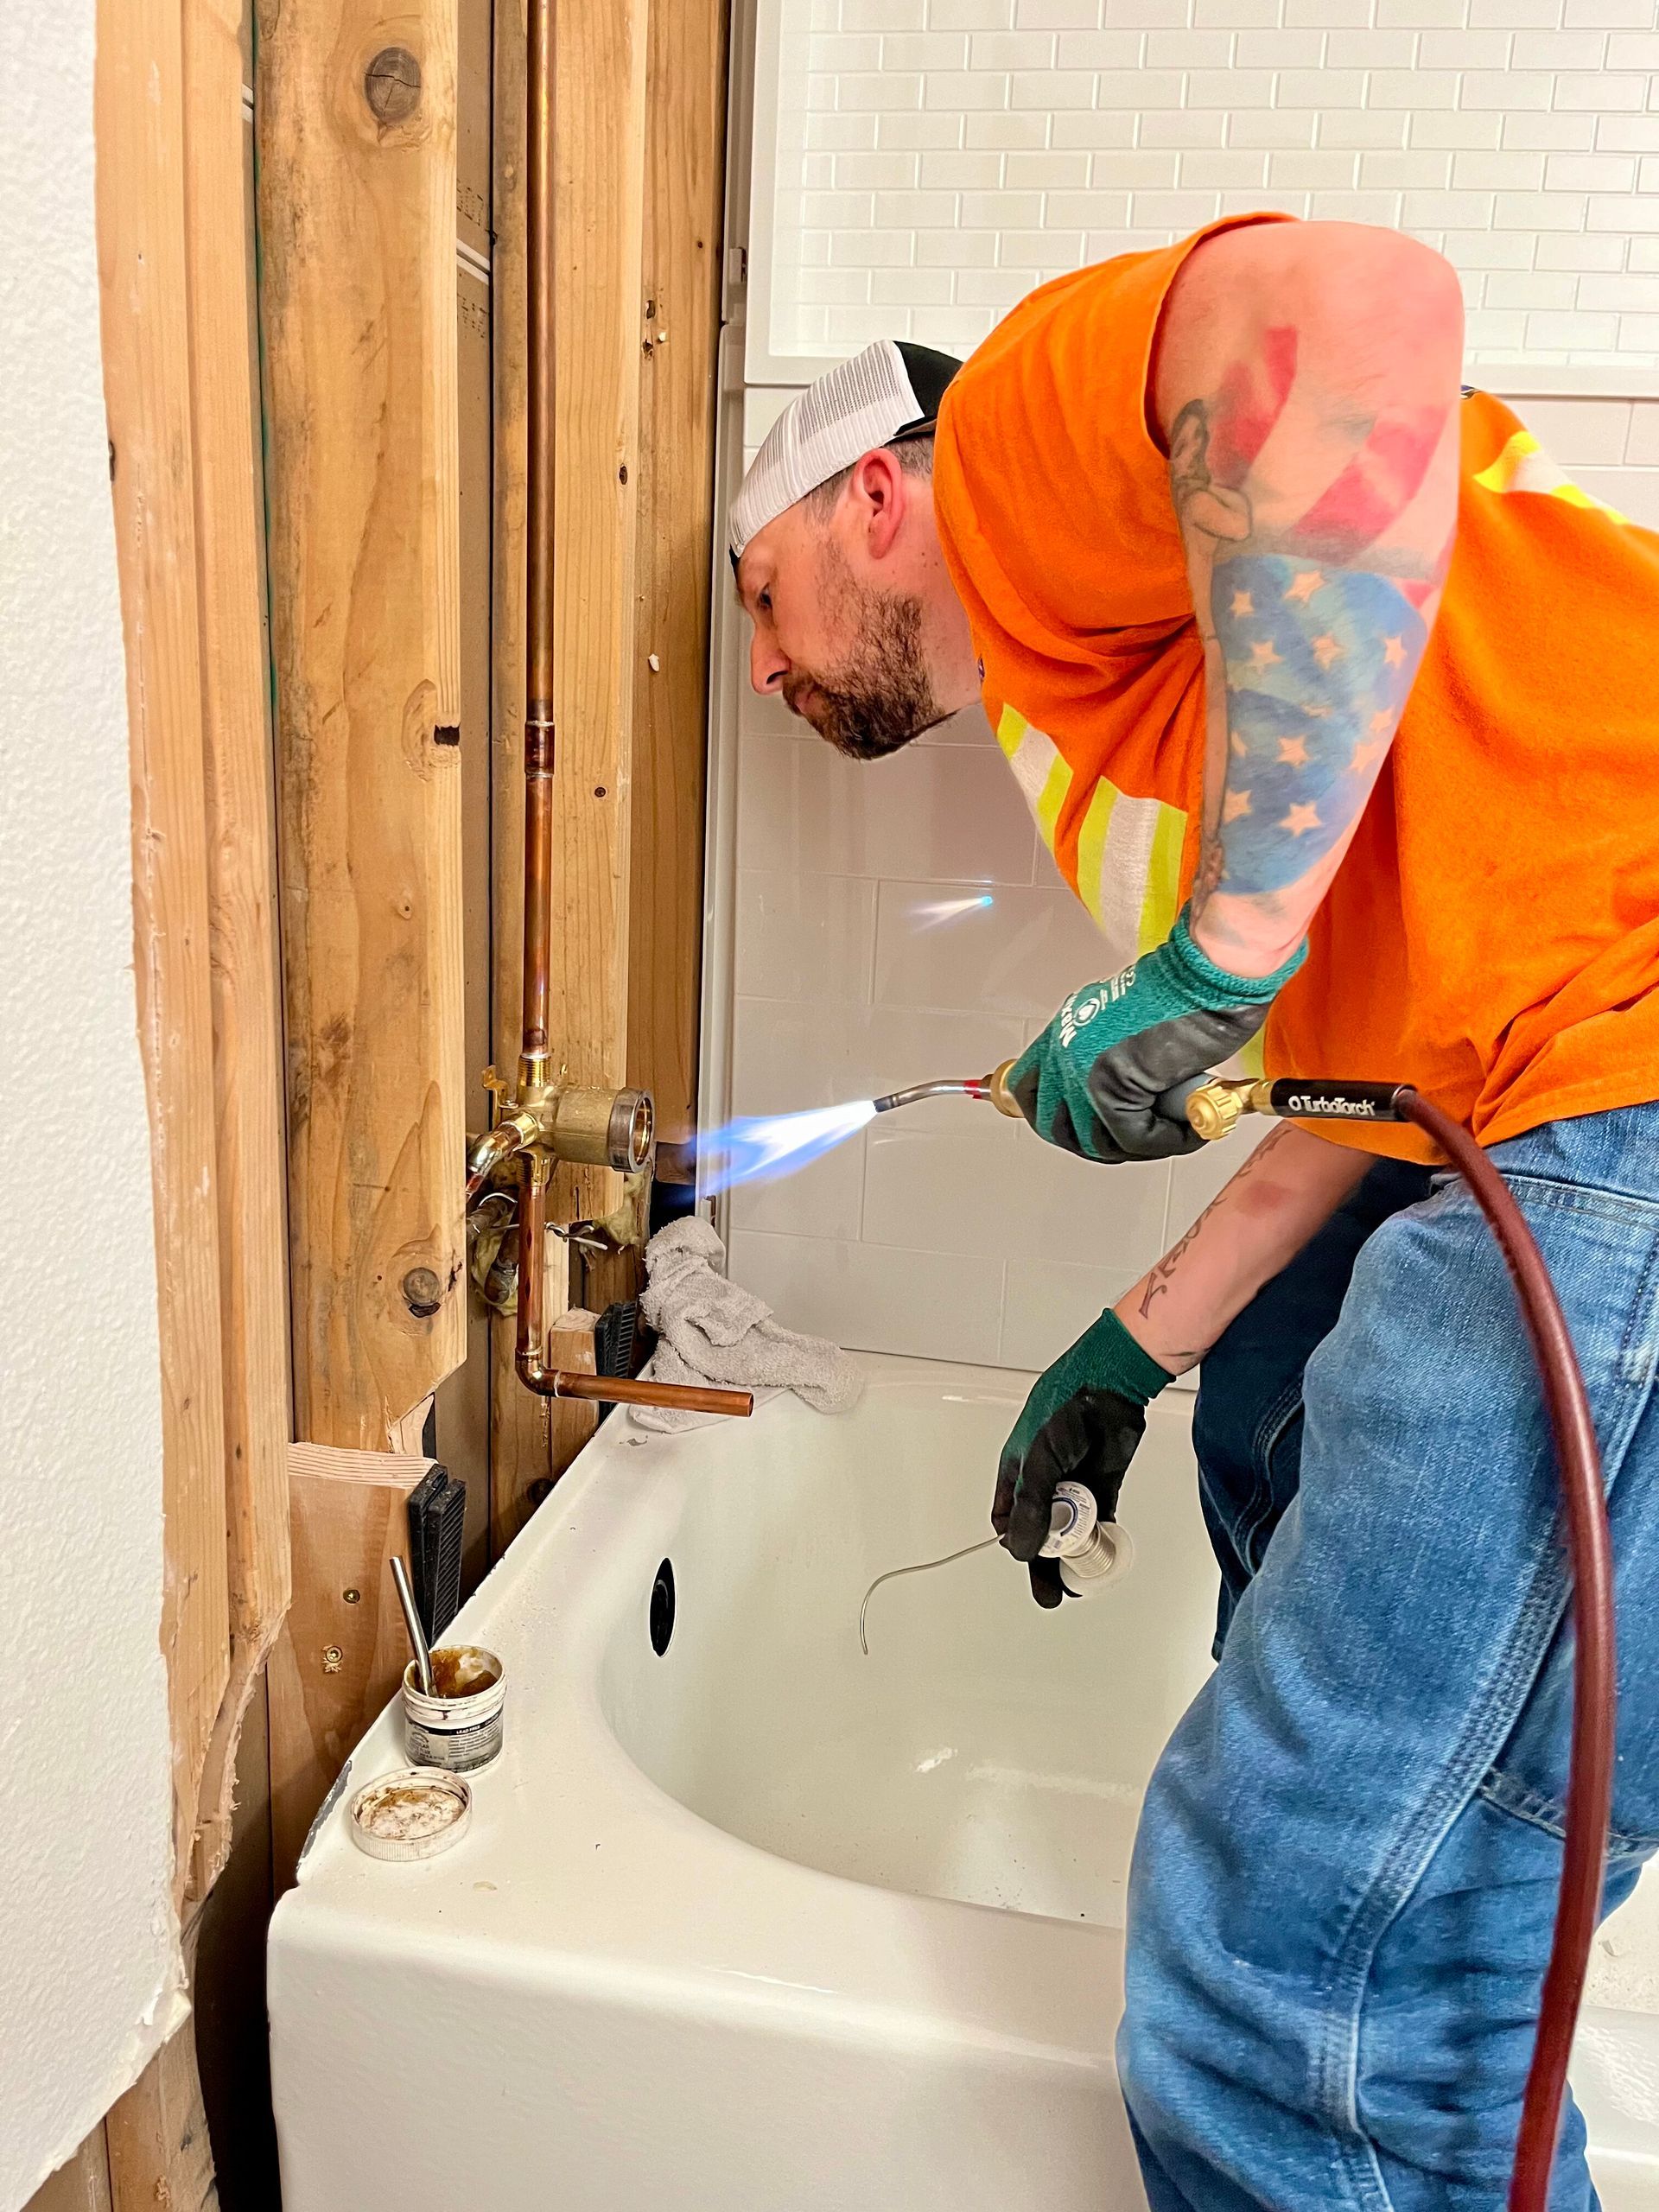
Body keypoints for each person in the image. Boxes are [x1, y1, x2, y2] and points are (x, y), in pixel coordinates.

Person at [728, 213, 1659, 2210]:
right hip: (1546, 1095)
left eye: (760, 587)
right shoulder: (1154, 686)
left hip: (1621, 1091)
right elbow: (1393, 1077)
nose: (761, 660)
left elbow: (1362, 301)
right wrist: (1129, 1345)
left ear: (871, 487)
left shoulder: (1011, 463)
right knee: (1420, 1968)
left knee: (1286, 1997)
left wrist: (1222, 952)